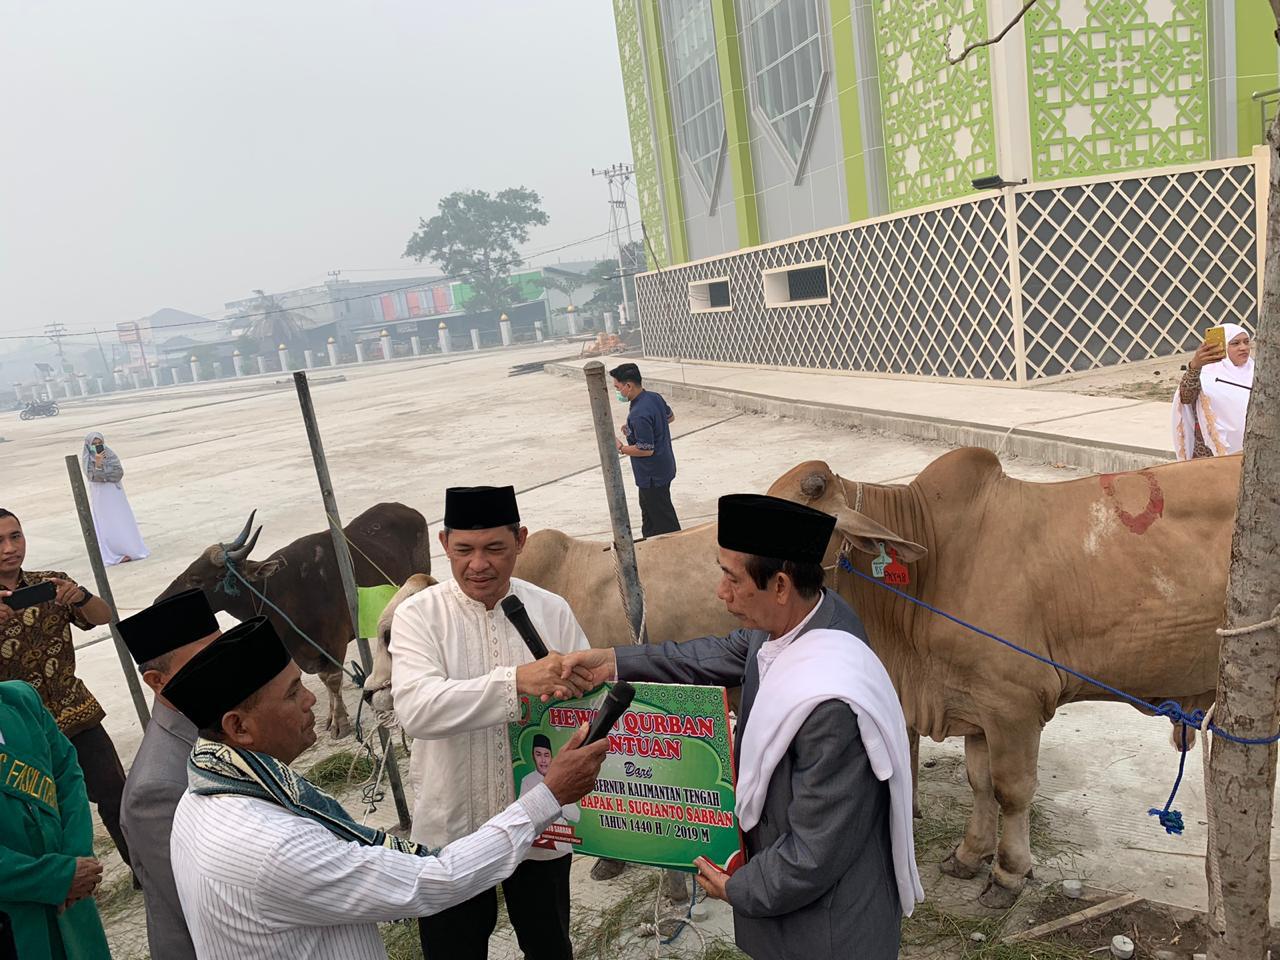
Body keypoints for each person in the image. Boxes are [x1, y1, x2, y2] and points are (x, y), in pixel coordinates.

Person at [559, 494, 922, 960]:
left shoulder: (829, 699)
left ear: (781, 585)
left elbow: (815, 852)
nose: (720, 592)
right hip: (790, 906)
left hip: (826, 929)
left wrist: (738, 887)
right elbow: (713, 654)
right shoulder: (795, 623)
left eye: (731, 579)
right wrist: (613, 660)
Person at [164, 615, 608, 960]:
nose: (312, 700)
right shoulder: (272, 846)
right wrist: (548, 795)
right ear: (238, 727)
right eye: (292, 692)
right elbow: (436, 880)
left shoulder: (201, 793)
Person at [389, 485, 596, 960]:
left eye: (494, 549)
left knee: (549, 946)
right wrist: (516, 682)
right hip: (451, 832)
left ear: (521, 541)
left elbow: (583, 710)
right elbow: (417, 710)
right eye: (463, 550)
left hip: (541, 825)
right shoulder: (419, 616)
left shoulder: (550, 609)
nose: (477, 564)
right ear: (444, 544)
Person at [0, 508, 133, 874]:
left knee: (115, 795)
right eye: (0, 541)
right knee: (45, 813)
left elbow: (103, 616)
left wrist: (81, 597)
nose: (11, 548)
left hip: (76, 713)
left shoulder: (52, 583)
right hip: (20, 731)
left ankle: (145, 872)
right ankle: (64, 887)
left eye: (16, 536)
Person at [118, 589, 221, 960]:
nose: (225, 664)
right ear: (157, 682)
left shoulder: (215, 723)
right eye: (205, 660)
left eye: (222, 648)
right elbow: (201, 902)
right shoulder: (157, 787)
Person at [0, 679, 111, 960]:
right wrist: (55, 878)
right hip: (14, 917)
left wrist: (75, 857)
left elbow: (66, 773)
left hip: (72, 897)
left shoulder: (20, 699)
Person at [611, 362, 680, 538]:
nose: (617, 392)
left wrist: (621, 448)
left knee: (663, 517)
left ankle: (676, 546)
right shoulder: (654, 397)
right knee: (649, 511)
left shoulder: (639, 413)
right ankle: (649, 539)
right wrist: (633, 430)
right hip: (664, 466)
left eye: (617, 387)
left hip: (652, 475)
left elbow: (645, 449)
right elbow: (669, 417)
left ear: (628, 385)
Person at [1171, 323, 1254, 460]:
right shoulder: (1206, 375)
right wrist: (1194, 367)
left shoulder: (1257, 370)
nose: (1243, 347)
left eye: (1246, 342)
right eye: (1235, 343)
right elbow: (1186, 397)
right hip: (1213, 457)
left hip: (1254, 451)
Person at [82, 430, 150, 566]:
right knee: (107, 523)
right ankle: (114, 555)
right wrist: (99, 464)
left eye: (99, 443)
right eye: (94, 444)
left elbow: (118, 473)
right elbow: (93, 477)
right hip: (100, 496)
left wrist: (103, 475)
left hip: (115, 493)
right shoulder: (88, 460)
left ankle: (130, 549)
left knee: (122, 520)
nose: (97, 446)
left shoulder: (110, 454)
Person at [517, 734, 581, 855]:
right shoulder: (527, 781)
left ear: (552, 757)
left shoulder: (562, 777)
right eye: (538, 754)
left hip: (561, 843)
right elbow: (523, 813)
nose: (543, 760)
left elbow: (576, 816)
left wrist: (552, 798)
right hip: (536, 847)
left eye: (546, 755)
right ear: (533, 756)